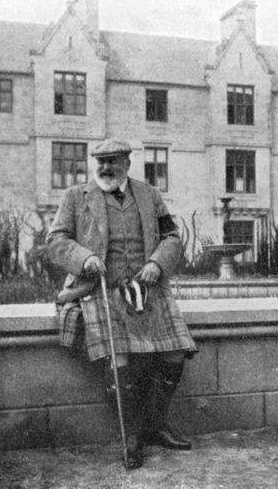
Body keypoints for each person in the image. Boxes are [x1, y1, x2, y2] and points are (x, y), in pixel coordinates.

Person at [48, 139, 197, 469]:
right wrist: (84, 258)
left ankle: (155, 426)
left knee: (176, 350)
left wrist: (157, 263)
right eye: (99, 162)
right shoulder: (76, 197)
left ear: (127, 164)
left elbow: (172, 236)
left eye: (112, 161)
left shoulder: (149, 195)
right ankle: (131, 436)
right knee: (120, 358)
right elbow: (56, 240)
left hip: (147, 290)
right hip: (99, 288)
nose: (104, 168)